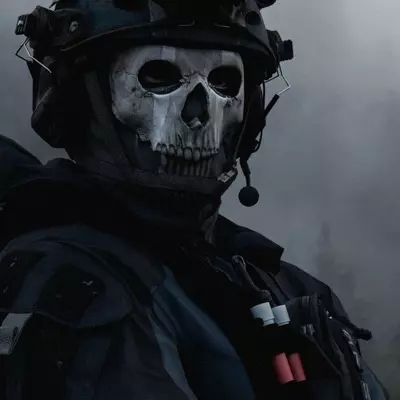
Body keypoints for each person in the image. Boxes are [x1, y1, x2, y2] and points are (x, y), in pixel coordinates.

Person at [0, 0, 389, 399]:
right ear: (80, 100)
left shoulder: (284, 284)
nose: (199, 115)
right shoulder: (68, 282)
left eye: (223, 83)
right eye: (159, 76)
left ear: (251, 109)